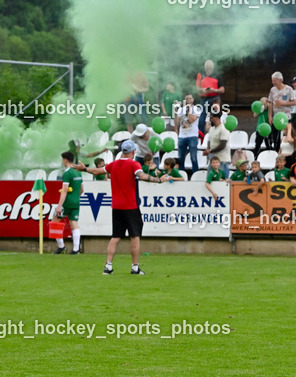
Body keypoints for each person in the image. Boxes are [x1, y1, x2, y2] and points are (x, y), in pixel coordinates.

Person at [76, 140, 163, 275]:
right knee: (135, 236)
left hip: (116, 206)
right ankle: (135, 268)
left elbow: (97, 171)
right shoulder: (134, 164)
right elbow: (142, 176)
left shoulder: (114, 164)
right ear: (133, 151)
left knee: (115, 237)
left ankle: (108, 266)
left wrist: (85, 169)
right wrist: (158, 180)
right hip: (131, 206)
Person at [54, 152, 83, 254]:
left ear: (65, 160)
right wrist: (76, 196)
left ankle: (61, 246)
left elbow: (64, 190)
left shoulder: (67, 173)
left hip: (67, 202)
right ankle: (76, 249)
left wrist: (59, 206)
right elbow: (82, 189)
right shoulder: (78, 173)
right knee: (74, 223)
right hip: (76, 201)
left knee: (55, 222)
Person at [268, 72, 296, 149]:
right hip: (276, 117)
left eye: (274, 80)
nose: (273, 82)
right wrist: (270, 116)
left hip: (286, 117)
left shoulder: (289, 89)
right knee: (276, 139)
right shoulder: (272, 90)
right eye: (272, 80)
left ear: (280, 80)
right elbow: (270, 103)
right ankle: (276, 153)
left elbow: (294, 102)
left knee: (287, 137)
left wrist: (283, 103)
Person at [195, 60, 224, 135]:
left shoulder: (217, 75)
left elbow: (222, 89)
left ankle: (217, 133)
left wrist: (214, 90)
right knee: (202, 117)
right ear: (204, 67)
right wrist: (203, 90)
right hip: (204, 98)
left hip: (215, 97)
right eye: (207, 66)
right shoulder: (200, 74)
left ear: (213, 67)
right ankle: (201, 135)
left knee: (216, 115)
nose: (208, 67)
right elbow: (197, 88)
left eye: (210, 66)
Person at [175, 93, 200, 175]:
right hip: (182, 136)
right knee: (180, 158)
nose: (188, 100)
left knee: (193, 157)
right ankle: (181, 174)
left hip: (192, 136)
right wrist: (176, 111)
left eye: (190, 98)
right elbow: (177, 122)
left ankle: (195, 174)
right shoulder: (181, 109)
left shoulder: (196, 109)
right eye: (187, 98)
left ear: (193, 100)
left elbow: (191, 120)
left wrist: (189, 110)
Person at [204, 112, 231, 176]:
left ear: (216, 118)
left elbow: (222, 145)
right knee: (209, 179)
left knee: (222, 181)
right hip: (213, 160)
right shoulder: (211, 129)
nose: (210, 120)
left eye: (211, 118)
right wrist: (208, 148)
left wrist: (210, 151)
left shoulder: (224, 128)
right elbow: (209, 140)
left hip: (222, 159)